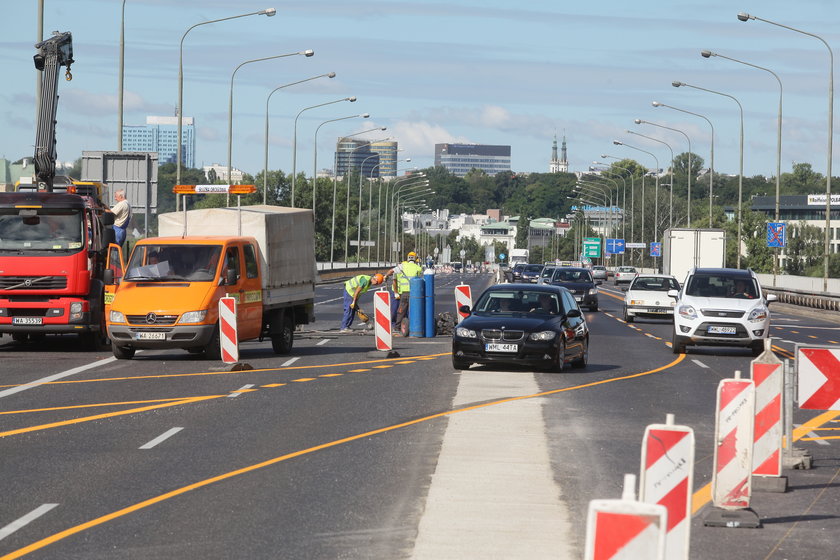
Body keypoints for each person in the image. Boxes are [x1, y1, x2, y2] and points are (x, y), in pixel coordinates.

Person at [392, 251, 423, 333]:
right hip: (415, 293)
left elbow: (393, 274)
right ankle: (414, 327)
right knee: (414, 310)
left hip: (404, 292)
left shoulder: (402, 266)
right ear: (416, 259)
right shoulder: (418, 268)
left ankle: (397, 327)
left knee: (401, 310)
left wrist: (385, 276)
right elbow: (421, 280)